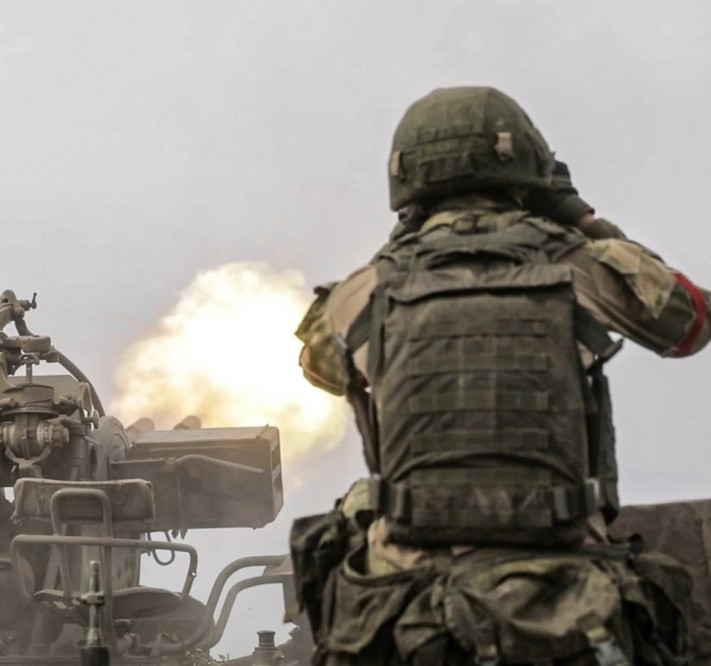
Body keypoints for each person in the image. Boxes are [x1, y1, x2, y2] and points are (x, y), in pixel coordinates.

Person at [293, 87, 709, 665]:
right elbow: (689, 322)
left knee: (342, 526)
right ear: (530, 169)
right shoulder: (577, 264)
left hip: (407, 604)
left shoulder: (366, 291)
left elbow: (319, 367)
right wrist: (583, 219)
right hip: (564, 590)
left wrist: (402, 245)